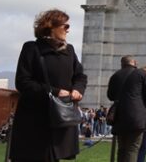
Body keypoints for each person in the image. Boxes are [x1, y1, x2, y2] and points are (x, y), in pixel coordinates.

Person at [10, 9, 88, 162]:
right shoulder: (31, 48)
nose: (68, 30)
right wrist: (55, 92)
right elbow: (23, 82)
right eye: (65, 26)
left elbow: (80, 76)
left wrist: (78, 89)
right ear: (51, 26)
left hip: (61, 119)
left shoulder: (69, 50)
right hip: (35, 121)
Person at [108, 56, 146, 162]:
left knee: (122, 149)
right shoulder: (141, 74)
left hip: (119, 117)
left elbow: (110, 96)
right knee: (132, 149)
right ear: (135, 63)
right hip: (136, 117)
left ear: (122, 64)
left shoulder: (115, 76)